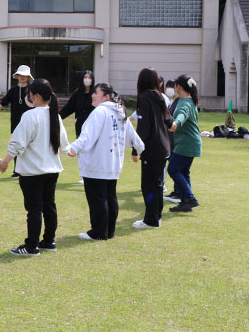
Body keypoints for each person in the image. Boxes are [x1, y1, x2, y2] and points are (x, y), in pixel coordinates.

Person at [0, 78, 70, 256]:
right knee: (49, 207)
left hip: (32, 171)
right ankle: (49, 241)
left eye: (30, 94)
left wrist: (5, 161)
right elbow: (64, 144)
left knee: (34, 209)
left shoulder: (30, 116)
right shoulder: (55, 116)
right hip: (52, 170)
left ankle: (31, 246)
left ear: (36, 96)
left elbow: (18, 143)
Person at [67, 83, 144, 241]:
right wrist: (141, 147)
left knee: (98, 198)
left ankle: (98, 232)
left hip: (97, 163)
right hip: (113, 163)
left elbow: (88, 135)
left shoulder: (100, 111)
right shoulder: (120, 111)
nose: (93, 95)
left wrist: (74, 147)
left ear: (106, 96)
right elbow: (132, 135)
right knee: (110, 197)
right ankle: (109, 231)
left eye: (96, 93)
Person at [131, 68, 173, 229]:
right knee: (157, 185)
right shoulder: (159, 96)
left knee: (148, 185)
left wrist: (135, 149)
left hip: (152, 149)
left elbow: (144, 127)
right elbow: (169, 118)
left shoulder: (145, 98)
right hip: (163, 147)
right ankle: (156, 217)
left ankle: (151, 220)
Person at [167, 74, 202, 213]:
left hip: (187, 143)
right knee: (184, 171)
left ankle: (190, 198)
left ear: (179, 87)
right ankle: (185, 201)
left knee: (173, 169)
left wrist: (176, 122)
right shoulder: (188, 100)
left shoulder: (186, 102)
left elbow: (182, 113)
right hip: (191, 142)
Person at [0, 65, 35, 177]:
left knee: (30, 146)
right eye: (21, 75)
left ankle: (30, 169)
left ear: (28, 77)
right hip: (16, 122)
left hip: (30, 122)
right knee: (17, 145)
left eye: (25, 75)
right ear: (17, 76)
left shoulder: (32, 90)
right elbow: (3, 103)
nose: (22, 77)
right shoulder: (13, 90)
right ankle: (17, 170)